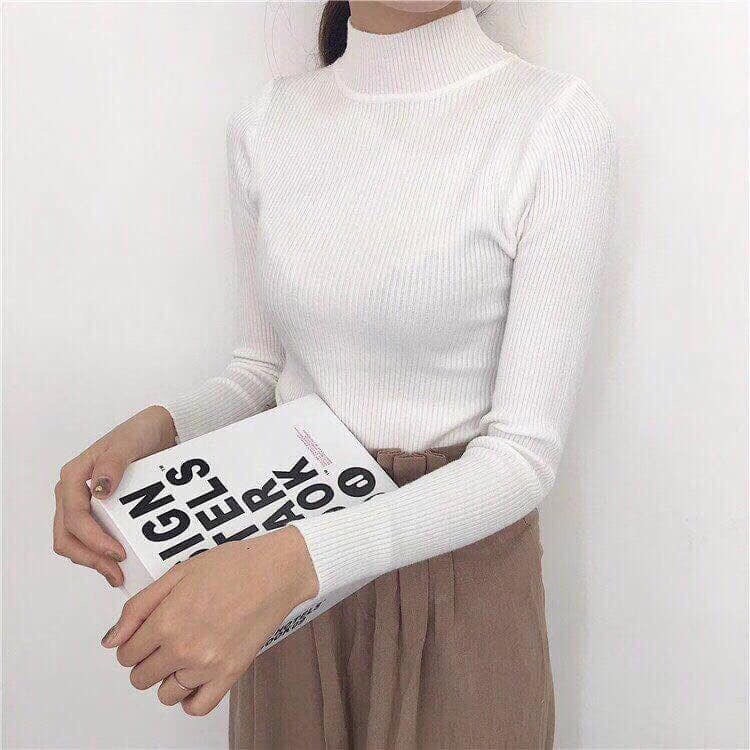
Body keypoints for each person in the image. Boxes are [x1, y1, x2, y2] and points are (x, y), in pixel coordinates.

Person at [52, 1, 617, 747]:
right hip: (287, 580)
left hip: (453, 580)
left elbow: (523, 456)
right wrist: (158, 429)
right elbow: (261, 369)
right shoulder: (266, 124)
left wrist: (293, 565)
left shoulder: (553, 123)